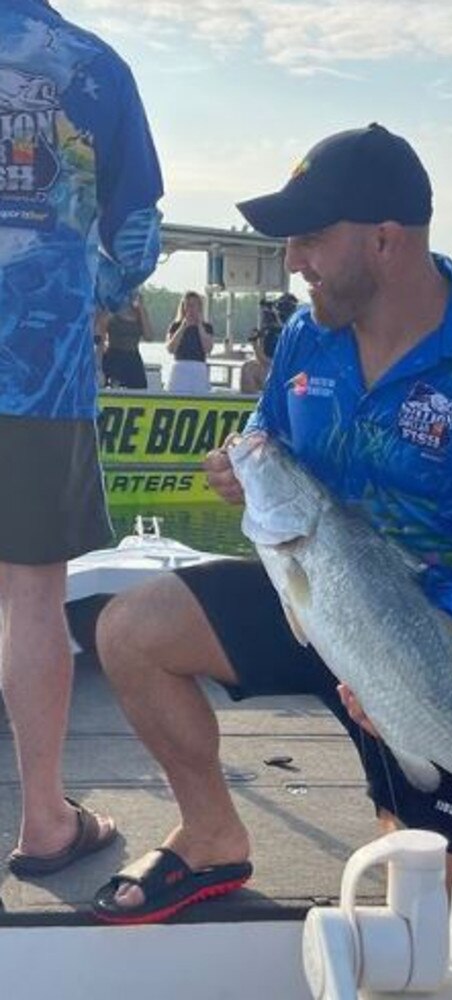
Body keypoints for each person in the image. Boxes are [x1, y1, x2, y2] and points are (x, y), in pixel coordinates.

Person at [91, 123, 452, 923]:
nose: (293, 262)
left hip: (414, 650)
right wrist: (237, 469)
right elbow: (267, 433)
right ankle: (211, 833)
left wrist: (427, 642)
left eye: (311, 238)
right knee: (127, 630)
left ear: (385, 241)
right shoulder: (309, 336)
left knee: (425, 919)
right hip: (305, 597)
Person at [0, 0, 163, 878]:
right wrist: (84, 289)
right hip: (37, 371)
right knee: (31, 598)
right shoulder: (92, 66)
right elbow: (137, 231)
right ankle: (44, 824)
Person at [98, 290, 155, 389]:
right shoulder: (111, 310)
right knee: (114, 390)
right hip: (114, 356)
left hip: (133, 358)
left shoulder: (139, 312)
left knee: (139, 391)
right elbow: (100, 337)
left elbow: (149, 337)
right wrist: (99, 364)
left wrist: (141, 308)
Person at [164, 291, 214, 394]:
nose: (191, 309)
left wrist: (200, 325)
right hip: (180, 367)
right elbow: (170, 349)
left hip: (198, 367)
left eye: (194, 305)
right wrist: (183, 327)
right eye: (188, 305)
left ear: (199, 307)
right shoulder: (175, 326)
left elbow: (208, 349)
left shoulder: (207, 327)